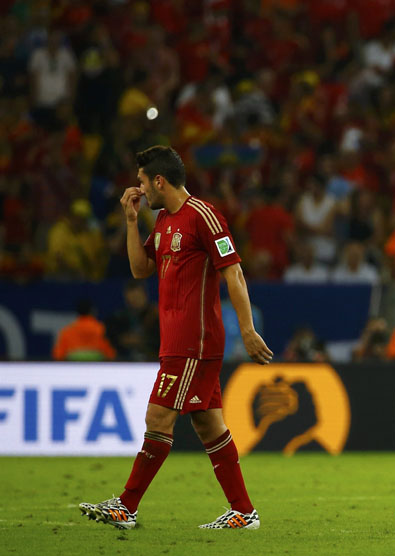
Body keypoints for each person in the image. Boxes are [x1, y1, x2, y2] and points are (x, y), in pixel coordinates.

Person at [79, 146, 273, 530]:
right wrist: (131, 221)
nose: (139, 190)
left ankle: (126, 506)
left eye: (141, 182)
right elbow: (139, 270)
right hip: (176, 341)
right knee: (207, 424)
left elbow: (233, 273)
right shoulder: (164, 221)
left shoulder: (203, 215)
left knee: (158, 416)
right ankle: (244, 511)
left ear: (159, 180)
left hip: (194, 341)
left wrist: (247, 330)